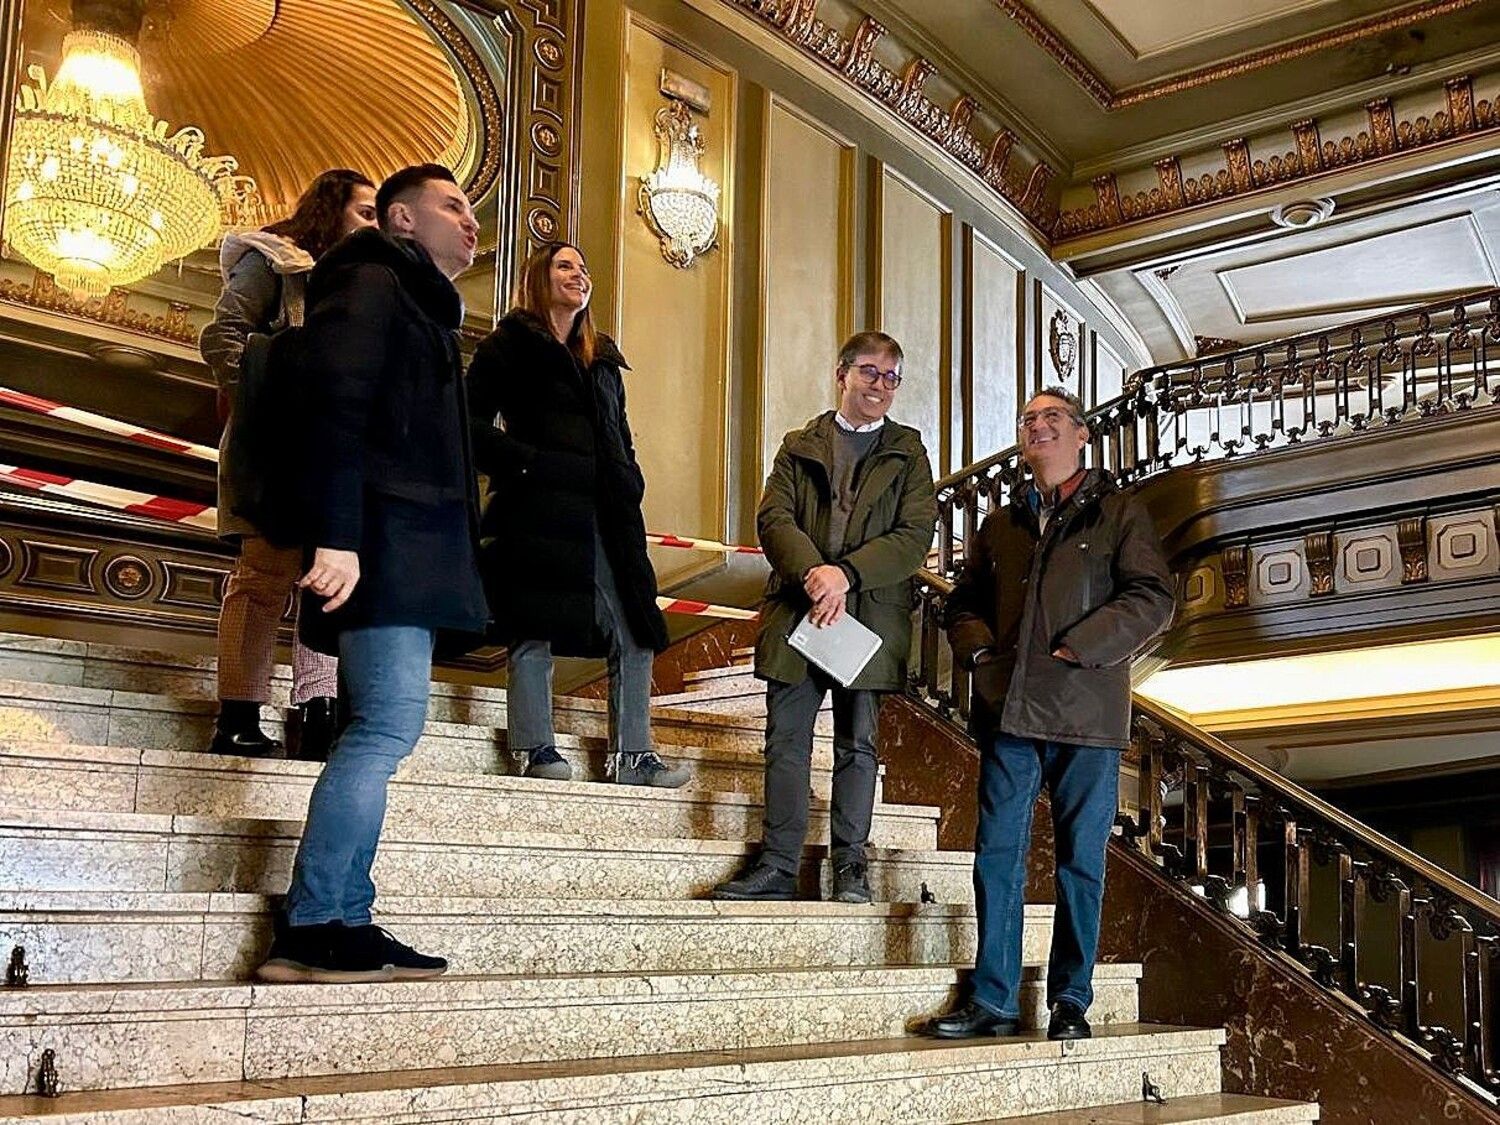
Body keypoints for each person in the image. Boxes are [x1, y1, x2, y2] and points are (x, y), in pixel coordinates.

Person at [256, 164, 489, 982]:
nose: (469, 222)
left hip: (397, 542)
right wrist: (338, 535)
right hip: (379, 542)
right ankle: (317, 918)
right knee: (388, 726)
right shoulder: (369, 278)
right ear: (399, 218)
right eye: (452, 206)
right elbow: (336, 405)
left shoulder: (411, 295)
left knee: (376, 727)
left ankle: (343, 913)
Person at [930, 386, 1173, 1041]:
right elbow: (961, 603)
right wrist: (980, 654)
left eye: (1052, 417)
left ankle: (1071, 999)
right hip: (1009, 713)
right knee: (996, 855)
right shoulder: (1000, 526)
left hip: (1086, 715)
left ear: (1081, 435)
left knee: (1079, 864)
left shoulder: (1118, 513)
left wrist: (1081, 644)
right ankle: (994, 998)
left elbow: (1153, 597)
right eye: (1029, 418)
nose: (1038, 426)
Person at [710, 331, 936, 904]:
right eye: (869, 373)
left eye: (891, 377)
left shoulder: (909, 451)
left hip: (869, 617)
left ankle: (849, 868)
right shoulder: (799, 443)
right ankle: (780, 866)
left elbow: (914, 536)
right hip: (799, 609)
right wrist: (816, 574)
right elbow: (774, 518)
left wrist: (846, 575)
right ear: (842, 375)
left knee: (858, 746)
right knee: (786, 741)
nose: (880, 386)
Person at [466, 242, 689, 788]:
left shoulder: (604, 358)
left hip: (607, 513)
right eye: (566, 266)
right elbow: (466, 424)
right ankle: (534, 749)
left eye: (585, 268)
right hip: (535, 509)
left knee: (636, 628)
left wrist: (629, 479)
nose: (579, 275)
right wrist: (525, 463)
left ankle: (633, 756)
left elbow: (623, 437)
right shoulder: (507, 347)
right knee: (532, 625)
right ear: (539, 277)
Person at [199, 169, 376, 761]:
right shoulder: (272, 259)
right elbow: (222, 334)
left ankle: (317, 713)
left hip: (334, 452)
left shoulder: (365, 286)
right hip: (272, 448)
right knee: (262, 581)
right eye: (366, 212)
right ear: (332, 211)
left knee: (329, 584)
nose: (375, 225)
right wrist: (261, 408)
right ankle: (239, 716)